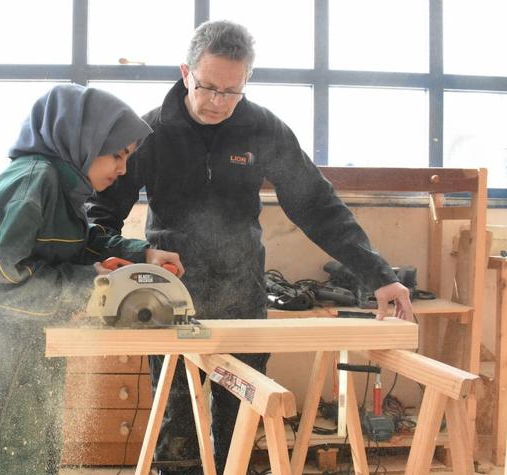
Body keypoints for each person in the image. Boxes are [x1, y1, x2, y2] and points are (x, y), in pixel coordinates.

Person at [86, 20, 413, 474]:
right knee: (178, 435)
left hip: (241, 294)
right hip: (170, 298)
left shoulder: (262, 129)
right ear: (186, 72)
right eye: (208, 87)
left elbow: (317, 205)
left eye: (231, 91)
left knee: (240, 425)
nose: (218, 101)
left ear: (247, 81)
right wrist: (104, 260)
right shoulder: (150, 132)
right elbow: (101, 213)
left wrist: (380, 276)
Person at [0, 84, 184, 474]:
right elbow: (6, 281)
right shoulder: (33, 180)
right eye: (117, 155)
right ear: (83, 140)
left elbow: (78, 243)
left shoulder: (64, 184)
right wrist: (90, 286)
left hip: (21, 346)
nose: (124, 169)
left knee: (30, 454)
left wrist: (140, 254)